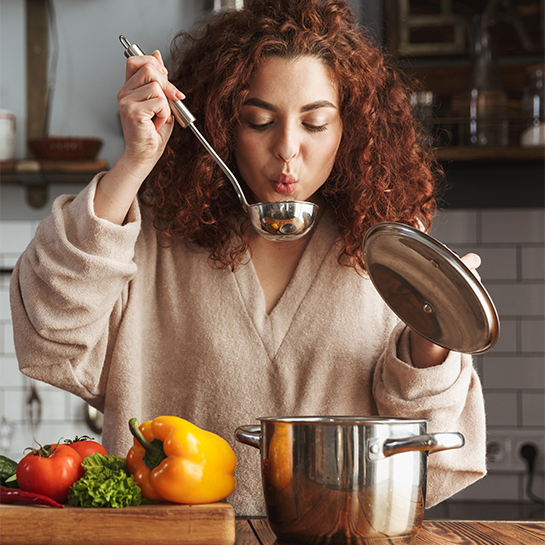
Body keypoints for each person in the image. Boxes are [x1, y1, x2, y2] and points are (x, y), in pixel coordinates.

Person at [10, 0, 486, 516]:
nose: (286, 149)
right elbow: (50, 335)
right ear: (220, 124)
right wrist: (136, 161)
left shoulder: (390, 251)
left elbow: (432, 445)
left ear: (351, 130)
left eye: (315, 124)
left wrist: (433, 336)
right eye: (259, 121)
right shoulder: (150, 235)